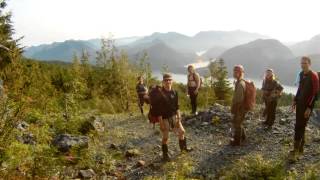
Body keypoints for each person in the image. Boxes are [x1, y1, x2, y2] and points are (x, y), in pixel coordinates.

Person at [290, 56, 319, 162]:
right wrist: (295, 101)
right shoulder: (301, 74)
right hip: (300, 105)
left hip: (307, 106)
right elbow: (300, 89)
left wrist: (309, 108)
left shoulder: (314, 76)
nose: (303, 65)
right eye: (302, 63)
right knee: (299, 125)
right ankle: (300, 148)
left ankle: (296, 150)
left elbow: (315, 94)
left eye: (305, 63)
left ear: (309, 64)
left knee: (300, 126)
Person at [159, 73, 192, 161]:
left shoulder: (175, 92)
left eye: (170, 80)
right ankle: (165, 155)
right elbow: (158, 111)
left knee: (182, 132)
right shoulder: (160, 94)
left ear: (172, 81)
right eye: (166, 80)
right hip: (165, 118)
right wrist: (161, 123)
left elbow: (177, 107)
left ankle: (183, 149)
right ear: (163, 82)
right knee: (166, 137)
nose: (168, 82)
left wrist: (179, 118)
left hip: (174, 117)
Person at [230, 65, 247, 146]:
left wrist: (234, 108)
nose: (234, 73)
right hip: (241, 106)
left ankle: (237, 142)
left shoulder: (240, 83)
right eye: (234, 71)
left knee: (237, 124)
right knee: (238, 122)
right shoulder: (239, 81)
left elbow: (239, 99)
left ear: (240, 73)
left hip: (240, 107)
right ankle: (243, 137)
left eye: (236, 72)